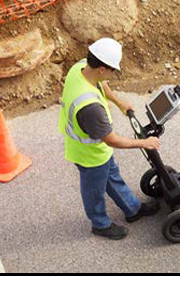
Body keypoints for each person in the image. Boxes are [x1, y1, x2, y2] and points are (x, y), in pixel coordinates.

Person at [58, 38, 161, 240]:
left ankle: (133, 209)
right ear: (102, 69)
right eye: (112, 70)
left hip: (100, 152)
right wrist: (144, 143)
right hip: (89, 156)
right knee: (94, 191)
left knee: (112, 176)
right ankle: (100, 224)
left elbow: (101, 84)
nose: (113, 74)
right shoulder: (90, 107)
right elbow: (111, 139)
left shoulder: (80, 67)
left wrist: (119, 102)